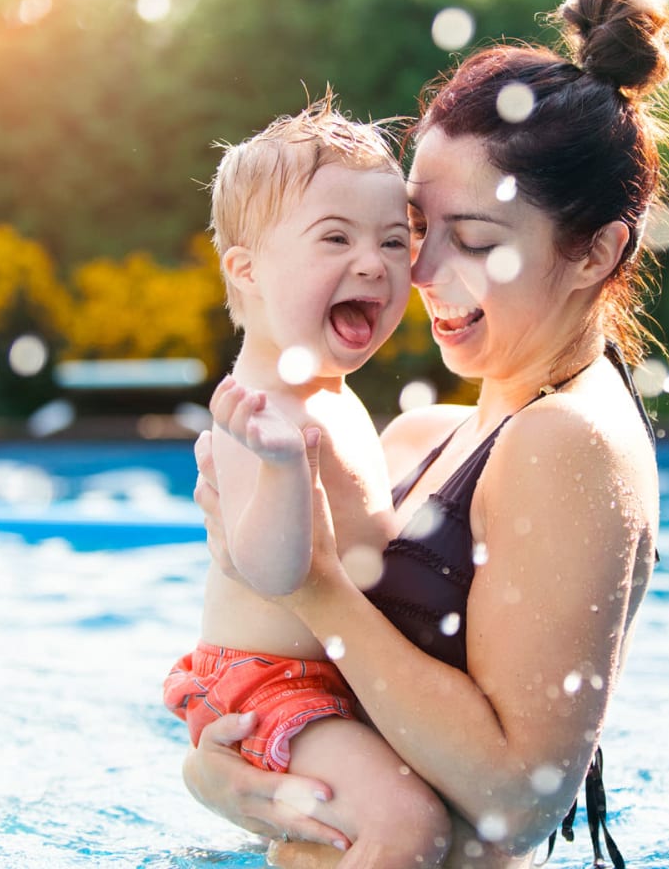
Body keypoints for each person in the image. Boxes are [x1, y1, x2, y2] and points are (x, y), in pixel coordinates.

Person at [183, 0, 669, 869]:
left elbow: (518, 797)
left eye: (473, 241)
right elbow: (321, 693)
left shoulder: (568, 442)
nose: (421, 271)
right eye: (412, 228)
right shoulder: (423, 437)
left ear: (597, 252)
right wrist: (223, 771)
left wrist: (315, 584)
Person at [163, 93, 453, 868]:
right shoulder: (255, 410)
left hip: (333, 677)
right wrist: (287, 468)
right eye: (336, 238)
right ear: (248, 269)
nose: (373, 262)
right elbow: (272, 569)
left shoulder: (326, 388)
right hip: (270, 688)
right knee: (409, 830)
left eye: (396, 242)